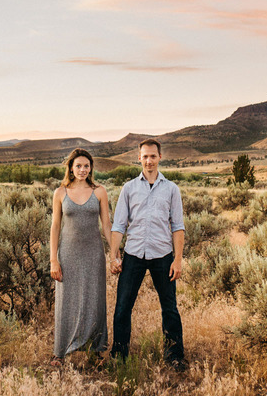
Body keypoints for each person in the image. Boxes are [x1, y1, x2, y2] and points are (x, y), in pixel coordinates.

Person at [109, 138, 187, 371]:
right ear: (139, 158)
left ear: (160, 157)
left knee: (169, 307)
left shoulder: (172, 189)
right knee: (123, 306)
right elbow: (118, 225)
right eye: (145, 156)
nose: (149, 160)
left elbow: (178, 226)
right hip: (133, 255)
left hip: (162, 255)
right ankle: (119, 356)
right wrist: (114, 255)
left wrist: (178, 259)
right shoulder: (129, 188)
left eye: (153, 156)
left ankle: (174, 356)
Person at [49, 147, 113, 366]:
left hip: (94, 254)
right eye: (78, 166)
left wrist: (114, 253)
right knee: (66, 300)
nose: (83, 170)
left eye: (86, 166)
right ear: (71, 167)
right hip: (67, 254)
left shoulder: (100, 192)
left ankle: (96, 349)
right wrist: (53, 259)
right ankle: (60, 351)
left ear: (91, 168)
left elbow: (106, 224)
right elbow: (55, 226)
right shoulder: (60, 193)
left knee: (94, 299)